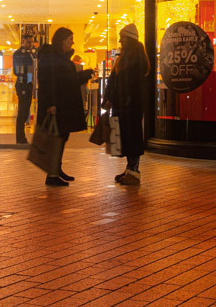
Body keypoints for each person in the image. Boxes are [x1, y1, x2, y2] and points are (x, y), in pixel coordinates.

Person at [36, 27, 93, 187]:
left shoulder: (60, 58)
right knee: (57, 138)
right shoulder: (51, 58)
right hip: (57, 106)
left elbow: (68, 79)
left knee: (62, 136)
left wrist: (83, 75)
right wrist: (51, 104)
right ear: (62, 40)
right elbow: (49, 82)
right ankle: (52, 174)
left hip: (63, 105)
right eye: (70, 39)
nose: (72, 42)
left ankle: (56, 169)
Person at [106, 24, 150, 185]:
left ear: (129, 39)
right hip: (124, 104)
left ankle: (134, 171)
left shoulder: (135, 59)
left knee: (132, 137)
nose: (119, 40)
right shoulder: (125, 57)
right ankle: (130, 169)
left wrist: (126, 99)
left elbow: (132, 84)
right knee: (126, 137)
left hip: (130, 106)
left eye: (122, 37)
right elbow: (115, 80)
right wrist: (110, 98)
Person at [12, 37, 35, 144]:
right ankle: (20, 138)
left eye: (32, 42)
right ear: (23, 42)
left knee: (25, 111)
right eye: (29, 42)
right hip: (23, 84)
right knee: (22, 112)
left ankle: (21, 138)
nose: (31, 44)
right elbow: (18, 71)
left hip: (28, 84)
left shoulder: (31, 53)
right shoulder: (19, 54)